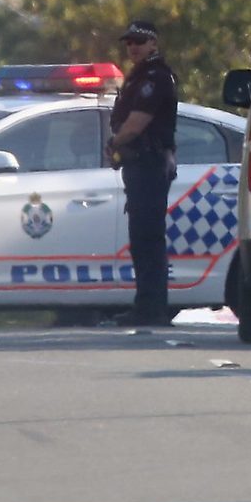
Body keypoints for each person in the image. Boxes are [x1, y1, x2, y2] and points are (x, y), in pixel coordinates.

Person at [108, 20, 178, 327]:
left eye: (139, 41)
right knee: (142, 238)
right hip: (140, 165)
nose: (133, 47)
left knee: (147, 238)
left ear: (153, 43)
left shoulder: (155, 77)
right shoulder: (139, 76)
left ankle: (152, 308)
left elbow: (137, 122)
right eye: (129, 42)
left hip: (149, 164)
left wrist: (114, 142)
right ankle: (147, 305)